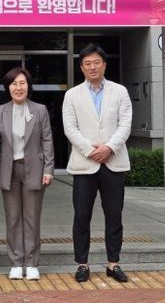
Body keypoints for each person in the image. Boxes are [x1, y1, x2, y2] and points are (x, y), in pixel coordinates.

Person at [62, 44, 132, 284]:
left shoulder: (120, 91)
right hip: (85, 164)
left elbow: (125, 124)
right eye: (87, 63)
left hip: (114, 163)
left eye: (96, 62)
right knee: (82, 216)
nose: (92, 67)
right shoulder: (72, 95)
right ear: (81, 67)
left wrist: (109, 147)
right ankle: (82, 263)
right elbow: (70, 128)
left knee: (114, 215)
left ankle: (113, 263)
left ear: (104, 64)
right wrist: (91, 150)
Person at [0, 67, 54, 281]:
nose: (18, 88)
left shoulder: (40, 110)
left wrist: (48, 169)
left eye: (22, 83)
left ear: (28, 86)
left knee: (32, 218)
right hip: (8, 170)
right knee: (13, 218)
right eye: (14, 84)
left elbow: (47, 140)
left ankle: (32, 263)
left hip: (34, 169)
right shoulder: (0, 111)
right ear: (8, 87)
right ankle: (16, 262)